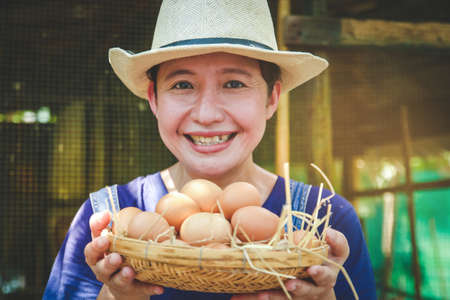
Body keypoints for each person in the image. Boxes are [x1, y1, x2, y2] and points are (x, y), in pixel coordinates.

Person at [43, 0, 377, 299]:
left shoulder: (326, 227)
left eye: (234, 84)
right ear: (154, 99)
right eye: (182, 85)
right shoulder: (105, 226)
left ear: (272, 99)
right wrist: (116, 295)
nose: (206, 114)